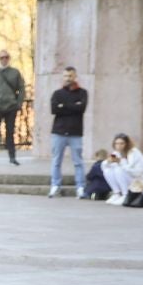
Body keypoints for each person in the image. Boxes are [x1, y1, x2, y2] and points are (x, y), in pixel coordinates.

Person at [47, 66, 90, 198]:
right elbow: (54, 109)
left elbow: (81, 108)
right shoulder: (57, 93)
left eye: (70, 76)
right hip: (59, 131)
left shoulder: (82, 93)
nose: (68, 79)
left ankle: (80, 187)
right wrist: (72, 106)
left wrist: (64, 106)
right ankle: (55, 185)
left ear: (75, 76)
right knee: (56, 161)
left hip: (75, 132)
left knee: (78, 161)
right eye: (65, 76)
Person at [101, 133, 143, 207]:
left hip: (139, 182)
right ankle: (117, 193)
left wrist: (120, 162)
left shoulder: (135, 153)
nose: (119, 146)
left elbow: (137, 173)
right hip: (128, 179)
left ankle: (125, 194)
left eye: (122, 143)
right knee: (108, 170)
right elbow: (104, 167)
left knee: (118, 169)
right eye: (117, 144)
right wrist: (108, 162)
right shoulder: (116, 153)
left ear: (127, 144)